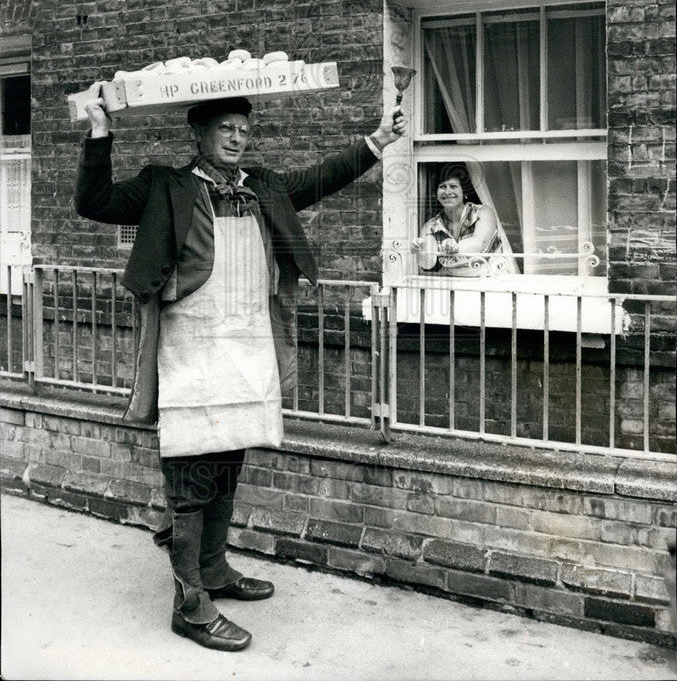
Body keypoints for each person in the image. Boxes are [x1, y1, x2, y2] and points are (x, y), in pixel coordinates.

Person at [74, 92, 405, 652]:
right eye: (224, 128)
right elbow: (94, 200)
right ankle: (190, 603)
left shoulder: (265, 186)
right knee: (190, 471)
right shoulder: (165, 186)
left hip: (248, 342)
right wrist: (101, 131)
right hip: (191, 346)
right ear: (198, 135)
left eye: (243, 129)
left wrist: (377, 141)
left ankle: (216, 569)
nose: (236, 137)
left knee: (229, 456)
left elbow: (321, 177)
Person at [412, 165, 501, 277]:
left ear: (465, 193)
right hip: (452, 284)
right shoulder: (430, 227)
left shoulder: (483, 213)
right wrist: (419, 250)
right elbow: (427, 264)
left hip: (489, 282)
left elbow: (479, 243)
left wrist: (455, 247)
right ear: (436, 195)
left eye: (453, 186)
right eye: (442, 187)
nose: (448, 191)